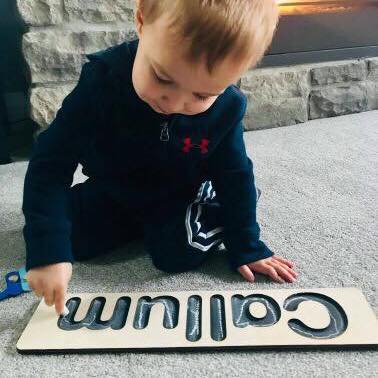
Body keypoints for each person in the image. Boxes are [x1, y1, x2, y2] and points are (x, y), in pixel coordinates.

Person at [24, 0, 299, 316]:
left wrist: (247, 245)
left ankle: (211, 208)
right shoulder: (100, 82)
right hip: (114, 188)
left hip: (178, 195)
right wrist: (48, 254)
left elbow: (235, 175)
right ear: (141, 19)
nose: (175, 102)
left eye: (201, 95)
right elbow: (50, 164)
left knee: (174, 254)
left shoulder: (228, 107)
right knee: (69, 238)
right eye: (163, 78)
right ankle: (134, 225)